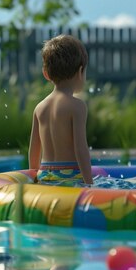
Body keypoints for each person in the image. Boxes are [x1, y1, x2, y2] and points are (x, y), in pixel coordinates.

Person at [29, 34, 93, 185]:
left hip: (45, 175)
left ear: (46, 74)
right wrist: (89, 184)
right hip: (70, 177)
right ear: (80, 72)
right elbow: (81, 149)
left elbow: (34, 151)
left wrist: (34, 178)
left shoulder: (40, 108)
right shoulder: (77, 106)